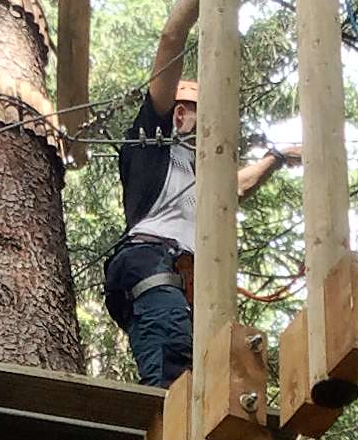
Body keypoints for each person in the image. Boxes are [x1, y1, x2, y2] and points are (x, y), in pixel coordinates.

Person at [102, 62, 284, 390]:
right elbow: (171, 40)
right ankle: (166, 424)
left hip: (176, 275)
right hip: (149, 262)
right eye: (207, 120)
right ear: (181, 114)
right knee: (171, 362)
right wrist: (190, 10)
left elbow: (234, 189)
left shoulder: (194, 168)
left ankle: (176, 423)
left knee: (196, 369)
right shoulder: (151, 146)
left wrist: (277, 157)